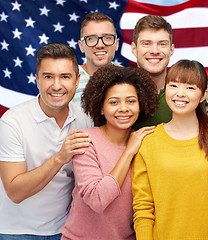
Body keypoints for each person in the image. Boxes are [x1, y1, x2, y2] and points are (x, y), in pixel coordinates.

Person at [132, 60, 208, 239]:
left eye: (190, 88)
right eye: (173, 85)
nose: (180, 94)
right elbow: (143, 207)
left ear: (203, 95)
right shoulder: (149, 142)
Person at [0, 43, 93, 240]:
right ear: (37, 80)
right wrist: (60, 157)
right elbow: (15, 192)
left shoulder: (85, 119)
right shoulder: (12, 122)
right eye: (48, 76)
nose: (57, 85)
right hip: (16, 231)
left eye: (65, 77)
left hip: (64, 230)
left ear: (77, 81)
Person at [61, 65, 158, 239]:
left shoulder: (146, 144)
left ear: (141, 104)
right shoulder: (86, 141)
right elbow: (97, 200)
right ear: (100, 107)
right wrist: (128, 153)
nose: (123, 108)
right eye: (114, 102)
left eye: (131, 101)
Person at [131, 15, 174, 130]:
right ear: (134, 49)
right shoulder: (118, 91)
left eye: (162, 44)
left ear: (171, 50)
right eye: (146, 44)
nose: (155, 51)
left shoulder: (184, 94)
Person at [72, 12, 119, 106]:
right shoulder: (67, 81)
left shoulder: (129, 78)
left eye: (107, 38)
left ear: (116, 44)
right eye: (91, 38)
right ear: (81, 46)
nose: (100, 45)